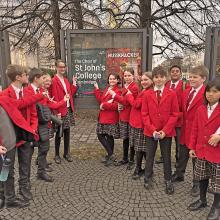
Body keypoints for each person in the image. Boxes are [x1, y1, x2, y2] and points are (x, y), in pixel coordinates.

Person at [0, 64, 40, 202]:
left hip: (25, 136)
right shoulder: (4, 95)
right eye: (25, 74)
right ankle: (6, 192)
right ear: (18, 77)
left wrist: (33, 128)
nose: (28, 77)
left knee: (25, 165)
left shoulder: (29, 93)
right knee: (6, 168)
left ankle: (24, 188)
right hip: (8, 139)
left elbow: (34, 114)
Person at [141, 66, 179, 195]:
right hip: (150, 132)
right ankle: (148, 176)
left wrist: (165, 130)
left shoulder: (171, 93)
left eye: (161, 77)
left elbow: (175, 114)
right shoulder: (147, 94)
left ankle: (168, 179)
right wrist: (152, 130)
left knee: (166, 156)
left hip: (166, 132)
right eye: (156, 77)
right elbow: (144, 114)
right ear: (153, 79)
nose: (159, 79)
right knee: (150, 155)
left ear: (166, 78)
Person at [172, 65, 208, 197]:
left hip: (198, 133)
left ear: (203, 78)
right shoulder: (186, 92)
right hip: (184, 130)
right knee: (182, 154)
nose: (191, 79)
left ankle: (196, 183)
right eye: (190, 77)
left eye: (195, 77)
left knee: (196, 159)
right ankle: (179, 174)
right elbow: (181, 110)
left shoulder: (206, 93)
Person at [187, 78, 220, 220]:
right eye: (208, 91)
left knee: (217, 182)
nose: (210, 94)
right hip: (201, 150)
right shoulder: (201, 108)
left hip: (216, 153)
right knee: (201, 177)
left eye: (215, 91)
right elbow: (195, 129)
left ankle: (216, 207)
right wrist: (192, 147)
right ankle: (202, 200)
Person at [37, 73, 70, 181]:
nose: (48, 83)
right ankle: (41, 165)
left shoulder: (44, 92)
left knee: (44, 144)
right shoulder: (40, 92)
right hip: (41, 122)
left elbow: (51, 104)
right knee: (43, 144)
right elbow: (50, 105)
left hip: (45, 120)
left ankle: (42, 163)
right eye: (46, 81)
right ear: (41, 80)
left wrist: (61, 101)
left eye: (49, 82)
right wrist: (62, 101)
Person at [156, 65, 190, 164]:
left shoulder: (185, 85)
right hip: (167, 120)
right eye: (173, 71)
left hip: (179, 120)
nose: (175, 73)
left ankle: (178, 161)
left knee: (179, 142)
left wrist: (179, 114)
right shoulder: (166, 84)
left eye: (177, 71)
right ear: (169, 73)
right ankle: (163, 156)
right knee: (165, 140)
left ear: (180, 73)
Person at [109, 67, 139, 169]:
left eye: (129, 75)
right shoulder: (124, 86)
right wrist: (118, 104)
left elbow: (126, 101)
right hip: (123, 115)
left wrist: (114, 96)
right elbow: (122, 101)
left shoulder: (134, 87)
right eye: (125, 75)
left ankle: (131, 160)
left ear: (133, 76)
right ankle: (125, 158)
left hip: (130, 116)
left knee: (131, 139)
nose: (127, 77)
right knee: (125, 138)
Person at [50, 60, 77, 164]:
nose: (62, 69)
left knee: (67, 132)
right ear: (56, 67)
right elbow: (52, 98)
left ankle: (66, 153)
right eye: (60, 67)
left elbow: (69, 94)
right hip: (59, 110)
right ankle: (56, 154)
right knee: (58, 133)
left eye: (64, 67)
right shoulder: (53, 80)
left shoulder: (65, 80)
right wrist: (56, 111)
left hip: (68, 109)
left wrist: (74, 84)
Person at [127, 72, 153, 179]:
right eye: (142, 80)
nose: (143, 82)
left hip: (141, 124)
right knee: (140, 148)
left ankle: (141, 169)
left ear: (152, 80)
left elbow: (136, 104)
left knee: (140, 148)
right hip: (136, 123)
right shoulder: (144, 90)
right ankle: (144, 168)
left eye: (146, 80)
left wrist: (128, 95)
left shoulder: (148, 92)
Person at [94, 73, 121, 166]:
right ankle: (111, 155)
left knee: (109, 137)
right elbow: (101, 100)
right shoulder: (107, 88)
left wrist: (104, 105)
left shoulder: (118, 91)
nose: (112, 80)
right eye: (110, 79)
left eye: (114, 79)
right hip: (103, 116)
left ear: (117, 80)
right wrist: (97, 89)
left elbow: (117, 105)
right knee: (101, 135)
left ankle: (110, 155)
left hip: (111, 117)